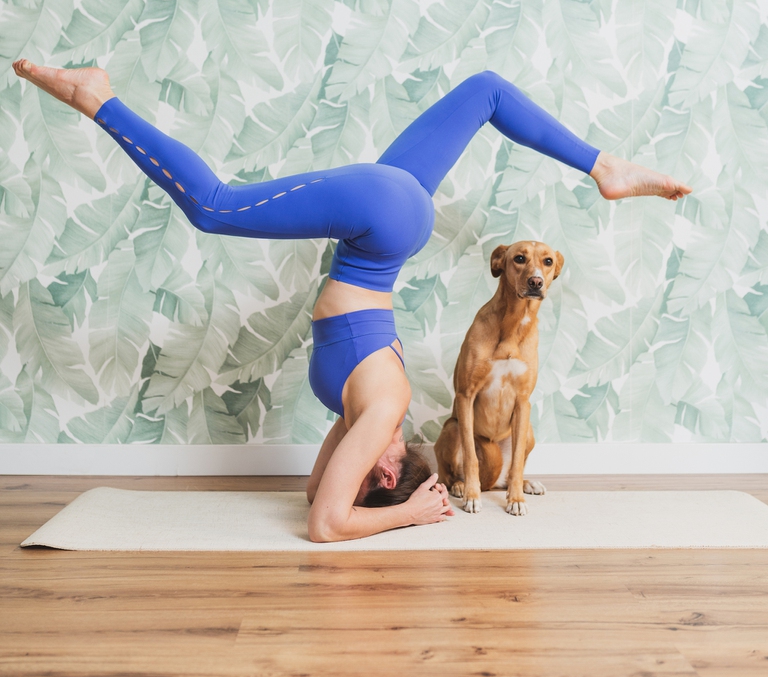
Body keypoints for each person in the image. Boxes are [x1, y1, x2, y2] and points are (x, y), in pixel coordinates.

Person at [12, 60, 691, 542]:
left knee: (485, 92)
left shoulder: (368, 410)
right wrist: (408, 510)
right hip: (383, 220)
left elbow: (320, 504)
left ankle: (603, 167)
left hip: (384, 227)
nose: (381, 458)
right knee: (213, 209)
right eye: (381, 467)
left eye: (370, 468)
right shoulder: (384, 404)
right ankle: (96, 97)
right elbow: (331, 524)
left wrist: (382, 494)